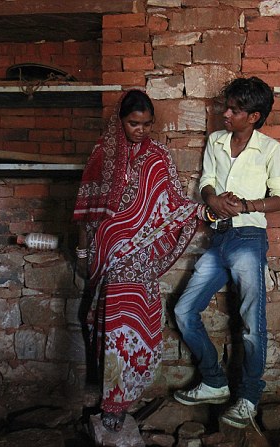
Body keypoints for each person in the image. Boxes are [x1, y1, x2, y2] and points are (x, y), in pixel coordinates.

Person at [73, 89, 213, 433]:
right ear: (119, 120)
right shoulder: (102, 155)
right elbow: (86, 212)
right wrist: (82, 253)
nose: (141, 130)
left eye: (147, 124)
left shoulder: (158, 155)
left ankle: (124, 397)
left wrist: (200, 211)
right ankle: (113, 405)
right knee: (113, 329)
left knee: (141, 331)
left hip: (142, 260)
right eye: (134, 123)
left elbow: (172, 202)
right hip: (108, 258)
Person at [173, 77, 280, 430]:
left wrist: (245, 205)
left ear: (253, 116)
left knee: (252, 324)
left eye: (235, 110)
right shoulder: (216, 141)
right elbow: (207, 181)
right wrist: (212, 199)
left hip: (249, 238)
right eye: (226, 107)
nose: (226, 113)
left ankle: (249, 397)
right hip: (218, 239)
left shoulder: (269, 149)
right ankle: (214, 380)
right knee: (183, 310)